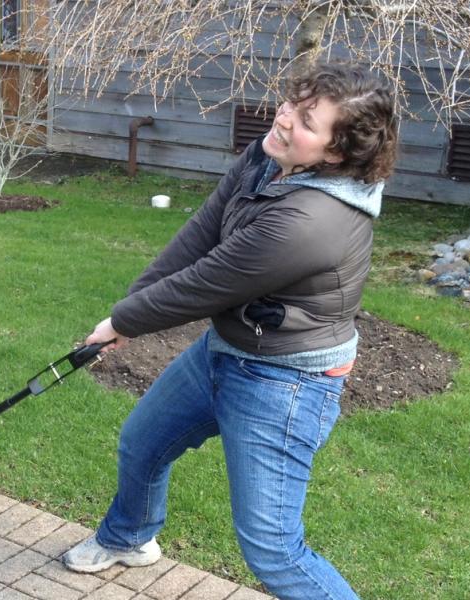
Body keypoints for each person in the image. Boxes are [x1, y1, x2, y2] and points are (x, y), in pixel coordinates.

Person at [61, 63, 399, 600]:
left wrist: (123, 322)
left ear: (335, 153)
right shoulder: (269, 159)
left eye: (308, 120)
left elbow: (208, 282)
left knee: (273, 550)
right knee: (143, 443)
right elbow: (202, 232)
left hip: (285, 384)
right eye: (292, 102)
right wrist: (126, 311)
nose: (285, 118)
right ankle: (128, 537)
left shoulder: (312, 222)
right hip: (228, 350)